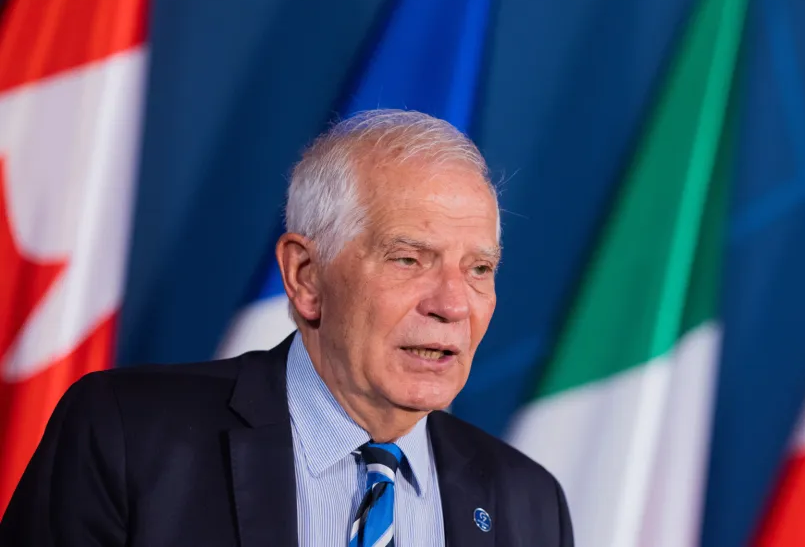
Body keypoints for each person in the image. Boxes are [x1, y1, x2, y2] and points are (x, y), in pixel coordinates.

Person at [0, 109, 574, 546]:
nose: (452, 305)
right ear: (305, 276)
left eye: (479, 269)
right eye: (408, 259)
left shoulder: (529, 503)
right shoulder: (128, 435)